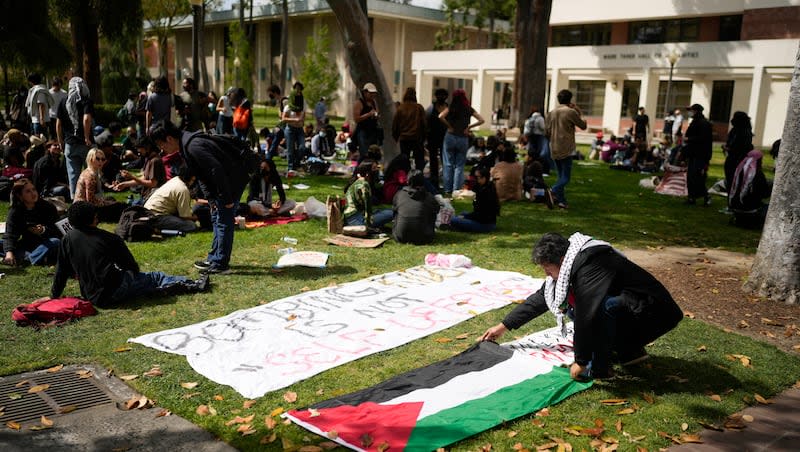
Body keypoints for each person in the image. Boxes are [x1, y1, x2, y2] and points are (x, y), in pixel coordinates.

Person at [480, 232, 683, 380]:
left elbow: (589, 313)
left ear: (561, 260)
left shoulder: (591, 263)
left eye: (547, 269)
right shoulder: (572, 260)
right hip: (634, 308)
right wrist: (503, 326)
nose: (546, 274)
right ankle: (627, 351)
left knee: (597, 309)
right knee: (573, 307)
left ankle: (602, 369)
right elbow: (541, 298)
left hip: (655, 312)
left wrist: (582, 360)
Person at [51, 202, 208, 307]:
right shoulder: (109, 238)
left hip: (91, 295)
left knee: (140, 281)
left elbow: (61, 271)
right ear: (94, 217)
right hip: (112, 292)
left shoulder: (67, 239)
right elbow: (131, 267)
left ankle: (147, 289)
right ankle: (192, 284)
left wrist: (54, 296)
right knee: (154, 277)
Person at [150, 119, 249, 274]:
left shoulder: (193, 146)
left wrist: (226, 198)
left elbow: (216, 170)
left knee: (223, 221)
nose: (161, 149)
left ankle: (221, 264)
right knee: (216, 217)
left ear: (169, 138)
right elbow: (201, 175)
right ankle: (214, 258)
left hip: (231, 181)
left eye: (160, 144)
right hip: (223, 182)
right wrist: (211, 199)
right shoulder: (185, 145)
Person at [2, 179, 61, 266]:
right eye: (28, 191)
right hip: (26, 244)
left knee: (56, 242)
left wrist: (42, 230)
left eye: (33, 189)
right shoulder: (15, 211)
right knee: (4, 244)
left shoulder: (48, 207)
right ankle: (29, 257)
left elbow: (57, 230)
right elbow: (10, 235)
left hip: (45, 243)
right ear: (20, 196)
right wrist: (9, 253)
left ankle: (28, 259)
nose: (33, 193)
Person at [545, 89, 586, 209]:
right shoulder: (570, 112)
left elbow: (546, 132)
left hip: (553, 147)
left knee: (560, 176)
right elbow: (583, 126)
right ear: (570, 99)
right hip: (566, 148)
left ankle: (562, 201)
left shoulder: (551, 113)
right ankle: (553, 190)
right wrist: (578, 110)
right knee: (566, 177)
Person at [438, 89, 485, 195]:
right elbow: (482, 120)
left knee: (448, 164)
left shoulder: (451, 107)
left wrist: (449, 126)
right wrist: (469, 127)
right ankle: (456, 189)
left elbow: (440, 116)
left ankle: (447, 189)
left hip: (450, 136)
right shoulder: (468, 108)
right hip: (462, 137)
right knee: (459, 165)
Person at [56, 77, 94, 199]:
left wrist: (60, 141)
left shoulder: (63, 101)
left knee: (73, 175)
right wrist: (87, 137)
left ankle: (75, 199)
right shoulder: (86, 100)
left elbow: (58, 124)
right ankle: (92, 197)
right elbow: (87, 119)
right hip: (85, 144)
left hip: (70, 144)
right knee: (91, 172)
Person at [74, 148, 126, 223]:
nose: (101, 161)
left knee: (111, 199)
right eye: (97, 159)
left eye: (103, 159)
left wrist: (109, 186)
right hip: (84, 211)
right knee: (120, 205)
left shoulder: (92, 171)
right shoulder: (90, 176)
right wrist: (105, 203)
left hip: (81, 207)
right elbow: (90, 201)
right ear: (91, 159)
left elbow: (102, 181)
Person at [143, 165, 199, 233]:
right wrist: (196, 218)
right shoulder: (183, 189)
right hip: (157, 217)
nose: (192, 182)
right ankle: (158, 229)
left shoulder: (175, 179)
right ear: (189, 178)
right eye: (192, 180)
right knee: (191, 225)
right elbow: (184, 216)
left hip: (147, 211)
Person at [677, 104, 713, 206]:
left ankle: (706, 196)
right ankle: (691, 197)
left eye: (691, 110)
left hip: (700, 154)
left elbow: (703, 139)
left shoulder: (704, 123)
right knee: (691, 177)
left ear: (696, 111)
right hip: (693, 153)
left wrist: (689, 139)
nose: (690, 113)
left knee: (697, 177)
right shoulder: (695, 122)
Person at [113, 136, 166, 203]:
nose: (138, 151)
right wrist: (124, 184)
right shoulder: (149, 159)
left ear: (147, 148)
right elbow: (144, 178)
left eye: (139, 148)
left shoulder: (155, 161)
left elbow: (153, 184)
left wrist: (132, 177)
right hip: (146, 196)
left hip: (152, 199)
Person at [392, 170, 440, 245]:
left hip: (401, 236)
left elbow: (394, 211)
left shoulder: (399, 194)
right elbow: (436, 210)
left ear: (408, 181)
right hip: (425, 237)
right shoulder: (429, 197)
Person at [448, 166, 499, 233]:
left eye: (477, 177)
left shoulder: (485, 193)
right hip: (488, 221)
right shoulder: (488, 187)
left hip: (484, 224)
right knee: (463, 213)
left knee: (454, 220)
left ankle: (457, 225)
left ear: (484, 178)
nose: (476, 180)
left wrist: (466, 217)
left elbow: (480, 215)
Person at [343, 161, 393, 229]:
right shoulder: (364, 184)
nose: (376, 170)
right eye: (374, 168)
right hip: (358, 222)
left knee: (380, 211)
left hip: (350, 218)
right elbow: (368, 208)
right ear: (367, 172)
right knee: (391, 213)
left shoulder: (358, 182)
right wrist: (369, 225)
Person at [728, 150, 770, 227]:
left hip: (736, 210)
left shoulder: (737, 172)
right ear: (758, 161)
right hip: (751, 212)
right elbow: (765, 194)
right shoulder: (758, 175)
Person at [392, 87, 427, 172]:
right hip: (417, 138)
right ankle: (419, 177)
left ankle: (404, 177)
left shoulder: (401, 108)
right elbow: (424, 124)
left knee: (404, 160)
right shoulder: (419, 108)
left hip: (404, 139)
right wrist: (424, 138)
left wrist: (396, 137)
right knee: (419, 160)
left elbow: (395, 125)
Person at [723, 111, 754, 195]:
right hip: (737, 159)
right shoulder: (742, 130)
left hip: (736, 160)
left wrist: (728, 148)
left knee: (733, 182)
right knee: (733, 182)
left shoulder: (741, 131)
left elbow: (737, 146)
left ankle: (733, 203)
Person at [425, 88, 449, 191]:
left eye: (443, 95)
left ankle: (446, 182)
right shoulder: (431, 108)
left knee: (445, 161)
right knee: (433, 161)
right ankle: (434, 182)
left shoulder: (448, 108)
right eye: (439, 95)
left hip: (446, 138)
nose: (441, 97)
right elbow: (426, 121)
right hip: (433, 138)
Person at [282, 83, 306, 174]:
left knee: (302, 147)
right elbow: (283, 118)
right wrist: (294, 119)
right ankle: (290, 168)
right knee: (290, 149)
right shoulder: (288, 107)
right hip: (290, 129)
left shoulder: (303, 105)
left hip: (299, 129)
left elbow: (304, 116)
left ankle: (296, 163)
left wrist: (301, 120)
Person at [353, 83, 381, 161]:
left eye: (374, 93)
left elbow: (377, 112)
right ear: (365, 92)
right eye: (370, 93)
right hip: (363, 131)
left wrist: (376, 115)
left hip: (373, 131)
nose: (372, 95)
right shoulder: (359, 103)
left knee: (374, 152)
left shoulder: (374, 102)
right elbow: (356, 119)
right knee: (364, 152)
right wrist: (368, 114)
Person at [25, 73, 54, 138]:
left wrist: (41, 118)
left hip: (39, 121)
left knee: (40, 141)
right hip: (35, 119)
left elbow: (41, 104)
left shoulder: (39, 90)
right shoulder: (35, 90)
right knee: (37, 140)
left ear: (31, 81)